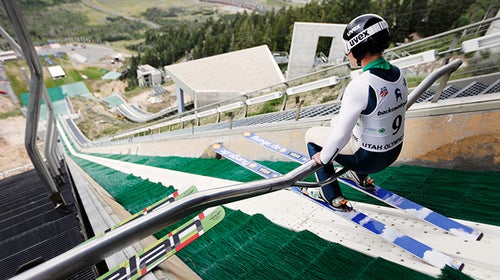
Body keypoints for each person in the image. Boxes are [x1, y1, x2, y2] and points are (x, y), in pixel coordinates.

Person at [303, 14, 408, 212]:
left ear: (358, 48)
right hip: (393, 151)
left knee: (312, 136)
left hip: (369, 158)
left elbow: (341, 137)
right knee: (336, 121)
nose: (347, 54)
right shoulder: (398, 73)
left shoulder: (360, 84)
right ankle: (360, 177)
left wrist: (323, 158)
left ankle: (330, 195)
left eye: (348, 49)